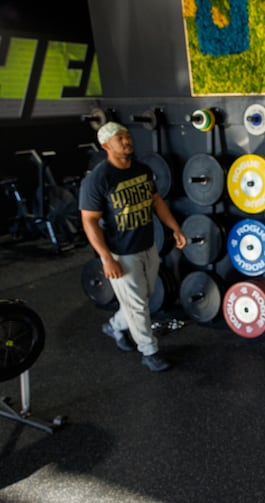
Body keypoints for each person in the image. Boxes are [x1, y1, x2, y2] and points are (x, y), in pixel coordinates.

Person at [79, 122, 187, 372]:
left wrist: (175, 228)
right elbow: (89, 221)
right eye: (120, 138)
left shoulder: (141, 169)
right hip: (121, 252)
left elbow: (156, 202)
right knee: (138, 305)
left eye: (127, 136)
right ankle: (149, 351)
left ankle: (115, 326)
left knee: (143, 299)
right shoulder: (97, 180)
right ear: (106, 145)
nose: (127, 141)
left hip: (148, 246)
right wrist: (106, 258)